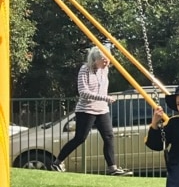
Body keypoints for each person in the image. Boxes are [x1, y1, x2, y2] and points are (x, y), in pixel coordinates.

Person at [51, 46, 132, 176]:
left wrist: (104, 100)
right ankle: (57, 162)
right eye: (104, 60)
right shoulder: (85, 70)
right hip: (86, 110)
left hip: (102, 109)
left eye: (108, 60)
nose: (107, 63)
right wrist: (104, 98)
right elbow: (83, 92)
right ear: (95, 59)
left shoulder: (104, 70)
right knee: (80, 138)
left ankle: (113, 168)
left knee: (109, 136)